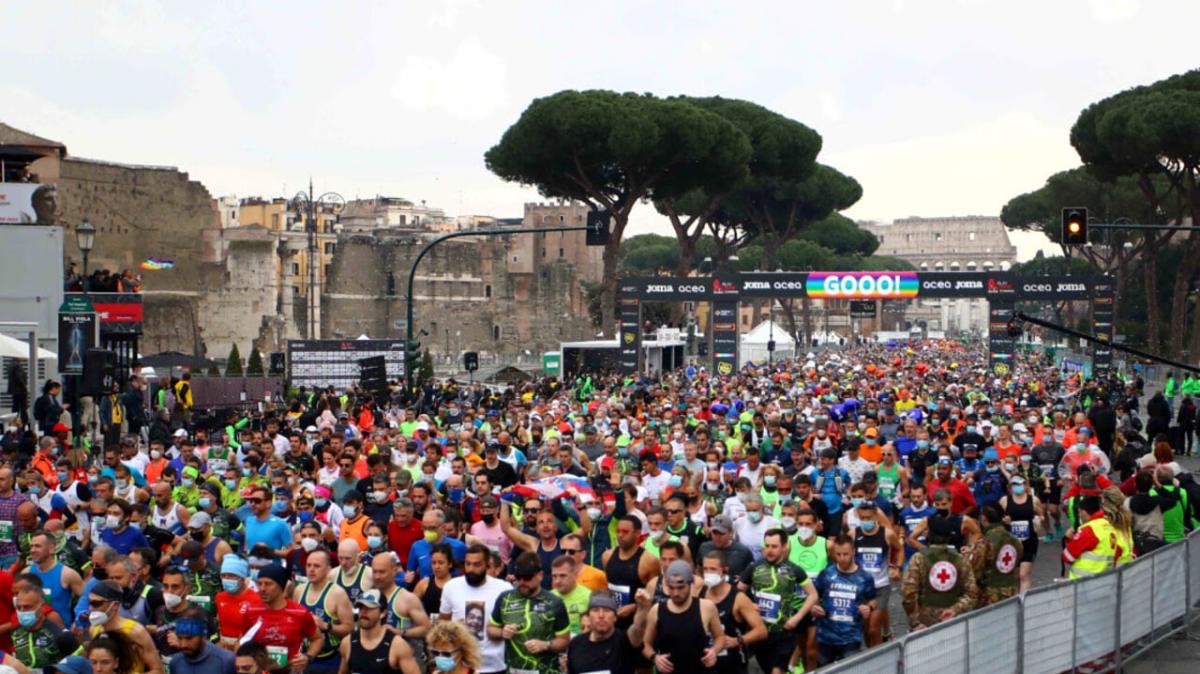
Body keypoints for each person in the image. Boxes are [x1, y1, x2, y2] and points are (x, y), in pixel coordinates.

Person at [738, 529, 818, 674]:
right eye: (767, 546)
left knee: (777, 671)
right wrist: (749, 605)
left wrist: (796, 618)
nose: (769, 550)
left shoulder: (794, 569)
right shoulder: (754, 567)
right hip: (760, 631)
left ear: (784, 546)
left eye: (774, 546)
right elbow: (738, 593)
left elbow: (813, 595)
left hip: (784, 632)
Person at [438, 544, 512, 674]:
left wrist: (502, 631)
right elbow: (442, 623)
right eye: (468, 564)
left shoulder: (504, 589)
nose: (471, 569)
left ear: (487, 565)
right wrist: (453, 627)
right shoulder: (451, 587)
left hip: (494, 665)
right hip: (460, 666)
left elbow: (511, 624)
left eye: (477, 564)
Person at [641, 560, 724, 674]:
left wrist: (714, 651)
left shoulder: (706, 607)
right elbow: (645, 644)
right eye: (671, 588)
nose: (675, 593)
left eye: (680, 588)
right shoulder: (656, 610)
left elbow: (720, 637)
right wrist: (654, 657)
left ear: (690, 584)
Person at [696, 550, 767, 674]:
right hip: (705, 663)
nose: (708, 573)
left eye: (713, 569)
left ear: (725, 570)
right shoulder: (699, 594)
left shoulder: (738, 598)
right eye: (705, 569)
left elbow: (761, 631)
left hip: (733, 665)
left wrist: (737, 641)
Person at [811, 535, 877, 666]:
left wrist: (868, 608)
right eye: (838, 554)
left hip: (851, 638)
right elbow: (813, 596)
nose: (841, 558)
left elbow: (873, 599)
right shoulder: (826, 574)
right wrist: (814, 608)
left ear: (853, 552)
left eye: (845, 554)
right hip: (826, 636)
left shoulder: (865, 577)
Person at [901, 516, 978, 629]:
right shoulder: (960, 559)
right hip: (954, 621)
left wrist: (915, 621)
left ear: (929, 534)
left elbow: (909, 593)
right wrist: (955, 609)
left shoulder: (919, 558)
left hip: (925, 623)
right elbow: (971, 593)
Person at [241, 563, 320, 673]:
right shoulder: (251, 611)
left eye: (268, 584)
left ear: (280, 586)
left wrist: (307, 657)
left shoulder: (300, 613)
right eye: (259, 583)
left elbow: (317, 639)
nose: (262, 589)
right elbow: (241, 641)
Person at [291, 549, 353, 674]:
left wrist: (324, 625)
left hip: (331, 658)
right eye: (308, 565)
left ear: (328, 569)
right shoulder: (299, 590)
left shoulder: (338, 593)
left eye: (316, 566)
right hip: (305, 657)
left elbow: (349, 629)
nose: (311, 569)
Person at [86, 580, 164, 674]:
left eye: (96, 603)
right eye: (89, 603)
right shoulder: (94, 629)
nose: (90, 608)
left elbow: (158, 670)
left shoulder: (135, 631)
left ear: (115, 605)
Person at [337, 589, 420, 674]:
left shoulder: (397, 646)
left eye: (369, 608)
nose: (363, 612)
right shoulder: (347, 643)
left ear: (382, 613)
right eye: (361, 607)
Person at [602, 515, 661, 631]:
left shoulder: (649, 561)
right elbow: (608, 585)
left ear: (637, 533)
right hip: (612, 620)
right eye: (618, 531)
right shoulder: (607, 556)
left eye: (625, 532)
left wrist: (634, 607)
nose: (620, 535)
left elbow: (655, 596)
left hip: (636, 623)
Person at [11, 580, 79, 670]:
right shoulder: (15, 633)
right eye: (19, 607)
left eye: (27, 607)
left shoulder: (61, 635)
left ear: (42, 607)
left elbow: (78, 666)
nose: (22, 611)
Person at [24, 531, 84, 628]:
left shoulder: (67, 574)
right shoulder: (26, 573)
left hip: (60, 631)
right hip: (34, 630)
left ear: (51, 549)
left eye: (38, 546)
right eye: (31, 546)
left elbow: (86, 598)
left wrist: (78, 622)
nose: (33, 550)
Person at [967, 504, 1022, 608]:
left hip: (989, 596)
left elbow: (974, 569)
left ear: (983, 518)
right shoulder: (1015, 540)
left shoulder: (984, 543)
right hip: (1011, 591)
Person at [998, 474, 1041, 592]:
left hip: (1029, 542)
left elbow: (1041, 515)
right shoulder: (1004, 501)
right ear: (1010, 486)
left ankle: (1023, 601)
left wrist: (1038, 521)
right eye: (1014, 484)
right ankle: (1016, 597)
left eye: (1020, 484)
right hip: (1011, 543)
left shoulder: (1034, 500)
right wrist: (1004, 521)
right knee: (1015, 575)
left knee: (1024, 574)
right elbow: (997, 519)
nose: (1017, 486)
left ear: (1026, 485)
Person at [166, 606, 237, 674]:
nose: (183, 644)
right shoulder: (175, 663)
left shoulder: (226, 661)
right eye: (180, 638)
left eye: (189, 638)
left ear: (203, 634)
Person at [214, 556, 261, 651]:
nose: (226, 579)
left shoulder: (256, 599)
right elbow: (219, 624)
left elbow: (257, 629)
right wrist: (217, 642)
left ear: (243, 578)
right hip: (224, 650)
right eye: (223, 575)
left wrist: (242, 644)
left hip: (246, 650)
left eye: (231, 575)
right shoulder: (219, 597)